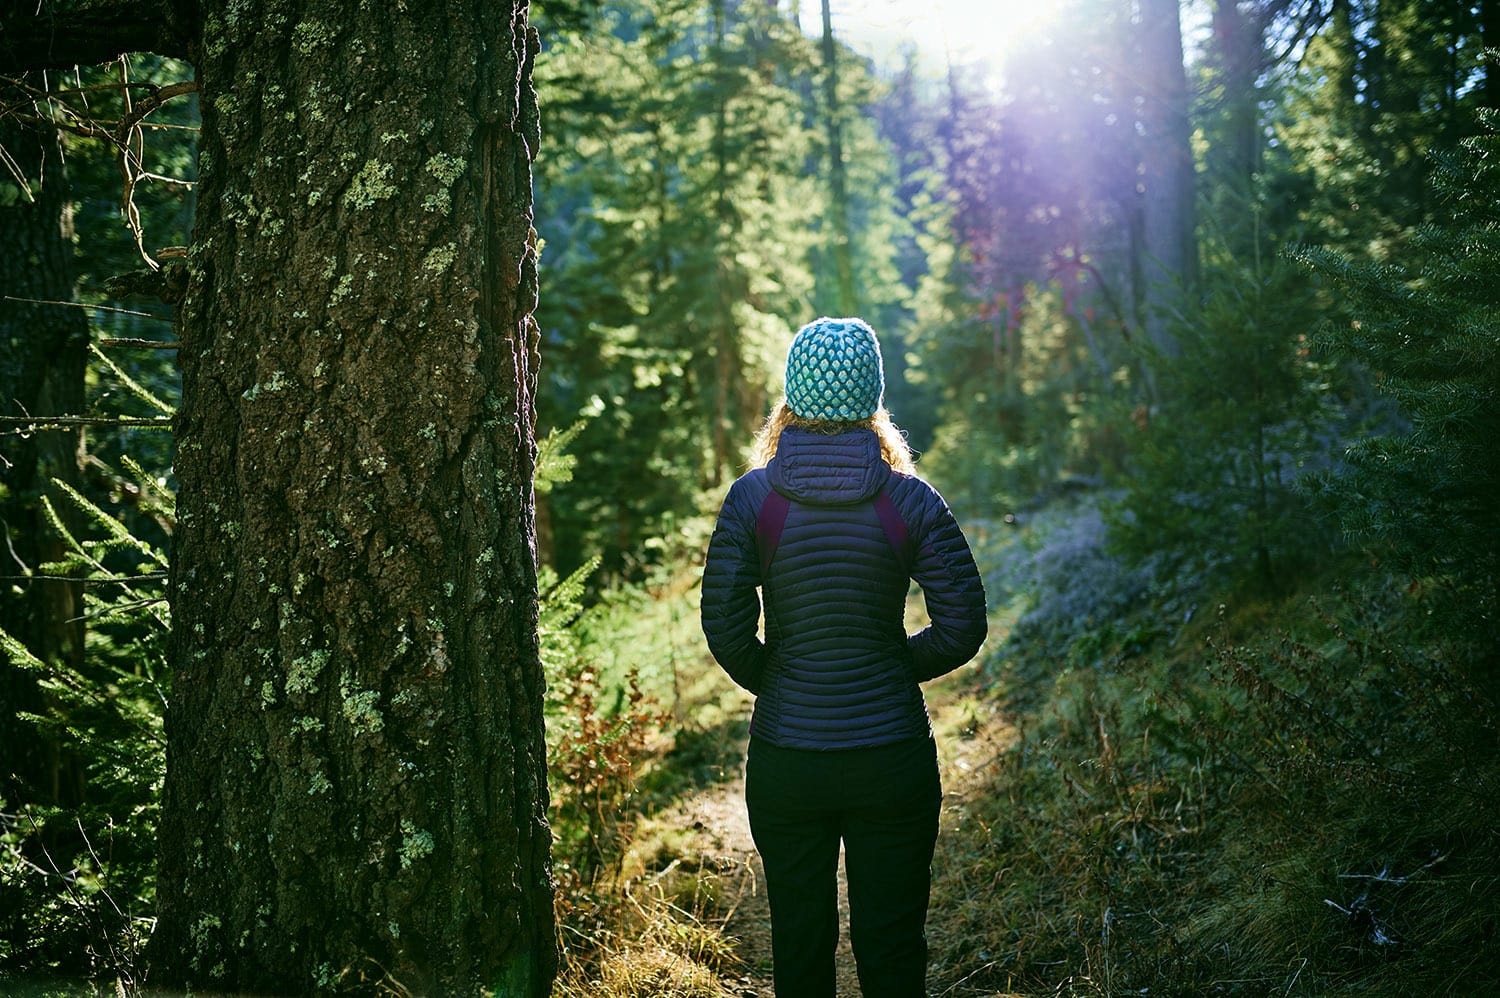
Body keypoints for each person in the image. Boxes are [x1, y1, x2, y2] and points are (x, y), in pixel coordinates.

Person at [701, 316, 988, 997]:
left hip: (787, 761)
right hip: (892, 759)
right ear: (873, 401)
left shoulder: (753, 500)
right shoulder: (910, 501)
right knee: (892, 948)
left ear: (791, 398)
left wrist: (779, 681)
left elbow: (725, 628)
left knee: (799, 948)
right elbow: (963, 626)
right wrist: (890, 668)